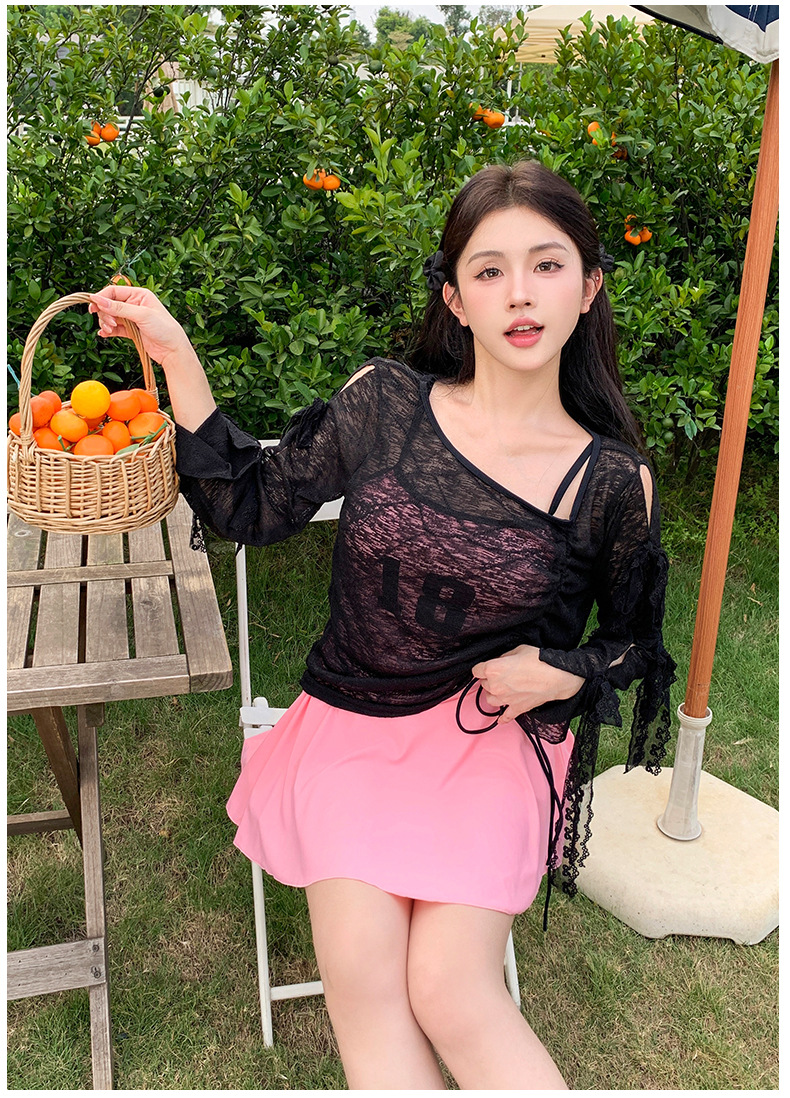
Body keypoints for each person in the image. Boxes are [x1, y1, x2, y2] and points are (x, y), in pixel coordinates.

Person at [88, 159, 675, 1091]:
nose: (520, 294)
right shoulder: (386, 406)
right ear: (455, 300)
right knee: (364, 985)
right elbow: (251, 506)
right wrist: (175, 353)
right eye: (489, 271)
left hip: (490, 744)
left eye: (547, 265)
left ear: (589, 286)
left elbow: (637, 643)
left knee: (451, 989)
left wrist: (564, 673)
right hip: (351, 728)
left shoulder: (610, 481)